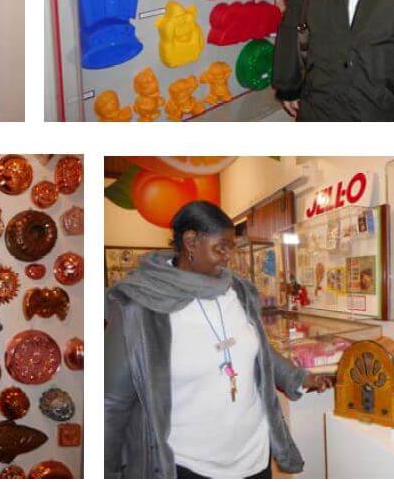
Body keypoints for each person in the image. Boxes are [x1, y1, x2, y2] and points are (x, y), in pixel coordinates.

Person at [105, 201, 333, 479]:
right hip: (189, 466)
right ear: (190, 241)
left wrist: (297, 377)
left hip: (255, 458)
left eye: (231, 247)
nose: (228, 257)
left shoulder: (237, 290)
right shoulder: (138, 306)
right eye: (220, 248)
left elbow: (255, 346)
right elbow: (111, 403)